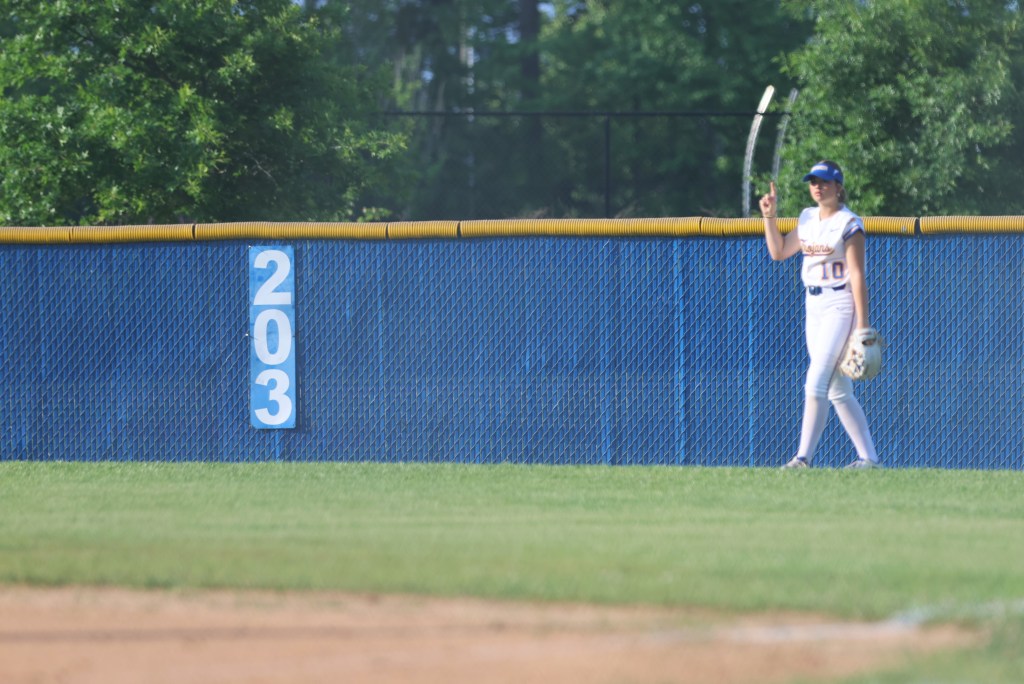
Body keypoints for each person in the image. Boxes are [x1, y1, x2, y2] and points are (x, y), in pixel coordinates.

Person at [759, 160, 881, 469]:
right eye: (813, 181)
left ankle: (803, 458)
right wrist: (769, 217)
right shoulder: (807, 218)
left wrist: (863, 327)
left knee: (815, 381)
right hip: (813, 306)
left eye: (825, 181)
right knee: (838, 389)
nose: (818, 186)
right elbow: (779, 251)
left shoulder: (849, 223)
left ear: (838, 187)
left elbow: (857, 275)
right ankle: (869, 459)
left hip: (840, 304)